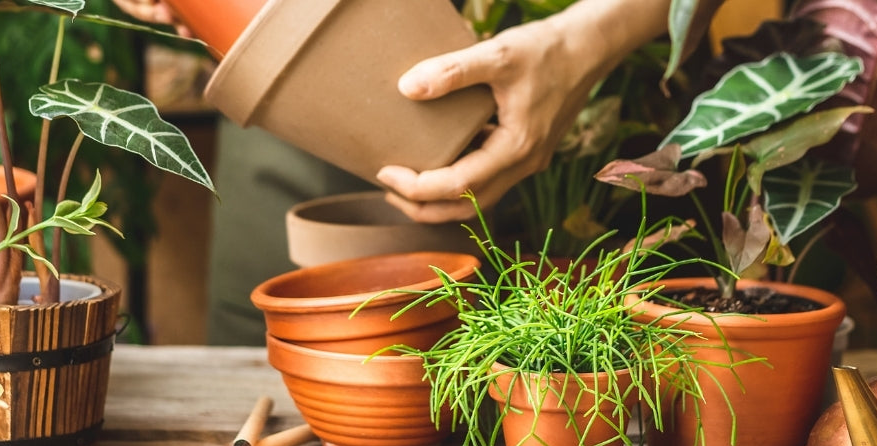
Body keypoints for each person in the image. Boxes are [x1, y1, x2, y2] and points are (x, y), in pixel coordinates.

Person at [115, 0, 720, 345]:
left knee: (608, 403)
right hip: (292, 102)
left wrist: (585, 42)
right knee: (274, 394)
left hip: (614, 81)